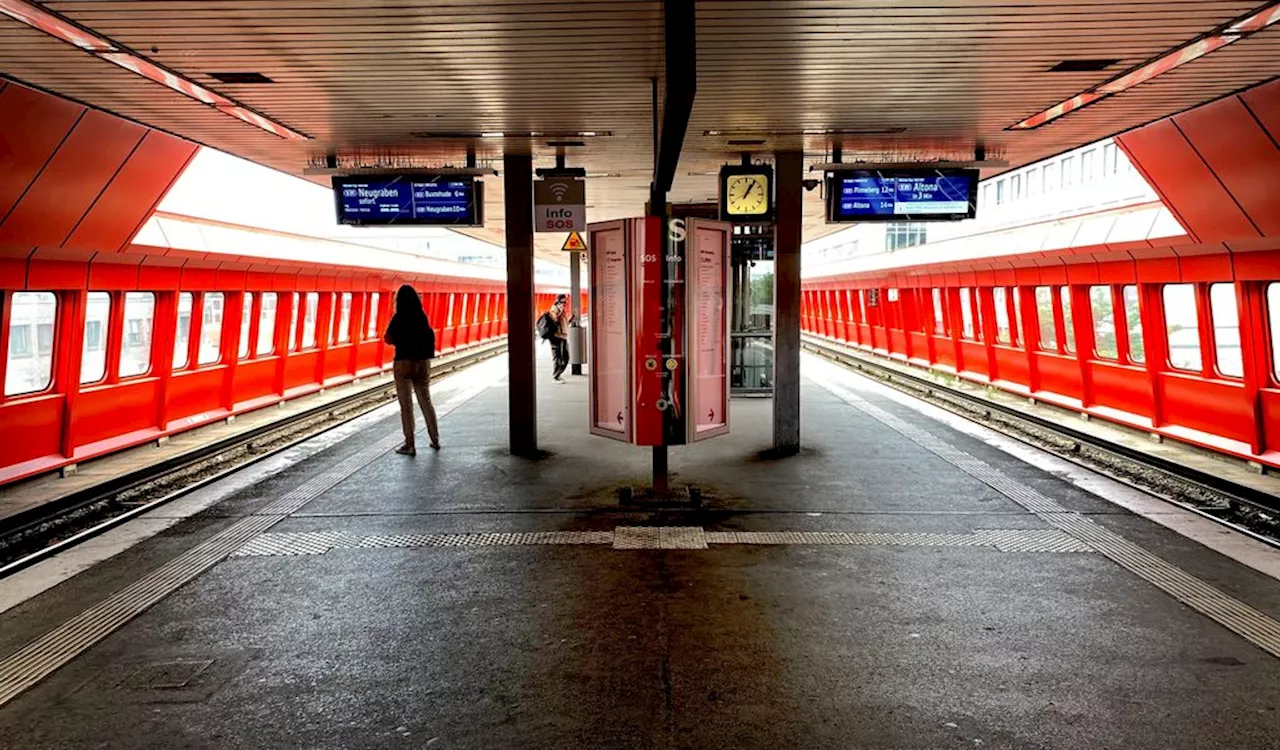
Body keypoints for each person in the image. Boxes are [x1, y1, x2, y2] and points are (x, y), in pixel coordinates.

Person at [383, 285, 440, 455]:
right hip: (422, 363)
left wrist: (399, 341)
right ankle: (435, 439)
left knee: (406, 406)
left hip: (403, 362)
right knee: (426, 400)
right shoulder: (422, 317)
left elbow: (388, 338)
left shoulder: (398, 317)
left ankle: (410, 444)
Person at [547, 294, 572, 381]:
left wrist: (572, 318)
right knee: (557, 357)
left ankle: (558, 374)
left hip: (563, 336)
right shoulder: (554, 309)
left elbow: (564, 323)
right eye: (563, 302)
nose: (565, 304)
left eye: (566, 302)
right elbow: (554, 321)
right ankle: (556, 376)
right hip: (556, 337)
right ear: (558, 301)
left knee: (566, 357)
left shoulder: (562, 310)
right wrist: (560, 311)